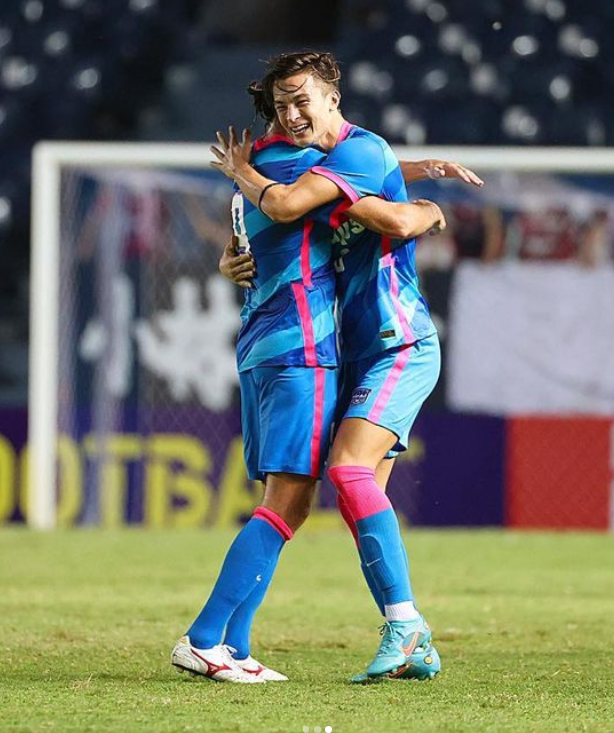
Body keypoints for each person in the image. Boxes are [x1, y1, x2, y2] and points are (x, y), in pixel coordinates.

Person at [170, 81, 449, 684]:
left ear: (330, 99)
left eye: (303, 103)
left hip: (318, 345)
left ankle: (240, 643)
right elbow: (333, 205)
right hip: (306, 348)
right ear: (274, 118)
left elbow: (319, 208)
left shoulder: (272, 169)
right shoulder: (294, 174)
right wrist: (423, 207)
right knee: (296, 501)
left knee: (306, 495)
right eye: (284, 107)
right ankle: (209, 639)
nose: (295, 115)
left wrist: (415, 186)